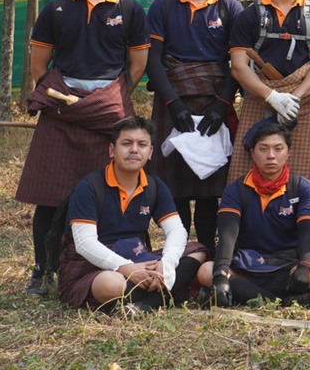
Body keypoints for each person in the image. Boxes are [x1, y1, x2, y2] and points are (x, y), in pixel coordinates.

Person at [18, 0, 152, 296]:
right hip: (60, 111)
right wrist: (68, 99)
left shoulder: (131, 9)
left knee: (111, 192)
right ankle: (43, 270)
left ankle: (104, 265)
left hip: (109, 113)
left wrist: (105, 100)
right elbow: (39, 66)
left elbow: (137, 66)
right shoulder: (56, 10)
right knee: (50, 196)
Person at [145, 0, 241, 253]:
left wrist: (222, 105)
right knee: (175, 183)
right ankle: (181, 250)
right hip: (172, 98)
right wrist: (172, 104)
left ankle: (209, 251)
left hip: (215, 99)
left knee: (210, 185)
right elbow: (152, 59)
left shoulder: (231, 8)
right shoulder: (163, 6)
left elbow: (238, 63)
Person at [56, 117, 205, 312]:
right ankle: (165, 293)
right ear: (112, 150)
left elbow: (176, 230)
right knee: (112, 284)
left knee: (198, 251)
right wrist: (125, 268)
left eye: (142, 144)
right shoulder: (89, 187)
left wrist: (166, 266)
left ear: (150, 152)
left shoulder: (155, 186)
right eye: (126, 143)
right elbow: (85, 243)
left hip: (138, 256)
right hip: (92, 265)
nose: (134, 150)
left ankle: (143, 305)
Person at [225, 0, 310, 186]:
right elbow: (239, 66)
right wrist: (272, 96)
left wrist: (294, 97)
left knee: (300, 176)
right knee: (247, 171)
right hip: (258, 98)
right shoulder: (250, 15)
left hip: (300, 104)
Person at [199, 119, 310, 308]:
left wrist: (304, 267)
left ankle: (242, 293)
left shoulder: (303, 188)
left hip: (286, 265)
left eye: (278, 148)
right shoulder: (236, 189)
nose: (271, 156)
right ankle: (287, 302)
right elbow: (227, 236)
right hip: (245, 265)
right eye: (263, 149)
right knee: (207, 272)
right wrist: (221, 275)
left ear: (288, 152)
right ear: (252, 153)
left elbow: (308, 232)